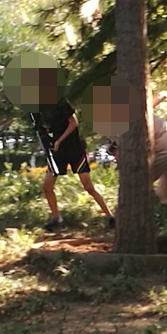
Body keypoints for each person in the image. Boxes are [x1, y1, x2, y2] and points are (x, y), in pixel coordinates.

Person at [109, 91, 167, 236]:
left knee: (137, 183)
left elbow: (162, 95)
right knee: (163, 193)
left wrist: (147, 106)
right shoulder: (122, 128)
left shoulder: (131, 118)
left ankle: (130, 225)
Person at [35, 95, 113, 232]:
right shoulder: (41, 110)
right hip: (58, 153)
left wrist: (59, 140)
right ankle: (56, 218)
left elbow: (73, 122)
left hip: (75, 150)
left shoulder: (60, 101)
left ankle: (110, 216)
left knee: (88, 186)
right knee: (47, 187)